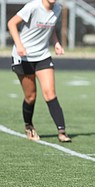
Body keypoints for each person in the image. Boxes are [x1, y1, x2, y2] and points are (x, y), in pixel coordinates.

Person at [7, 0, 71, 142]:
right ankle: (29, 125)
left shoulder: (58, 9)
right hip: (23, 57)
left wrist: (56, 43)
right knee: (31, 96)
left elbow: (51, 27)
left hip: (42, 56)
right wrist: (19, 45)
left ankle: (62, 131)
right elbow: (11, 23)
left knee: (50, 93)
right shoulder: (33, 6)